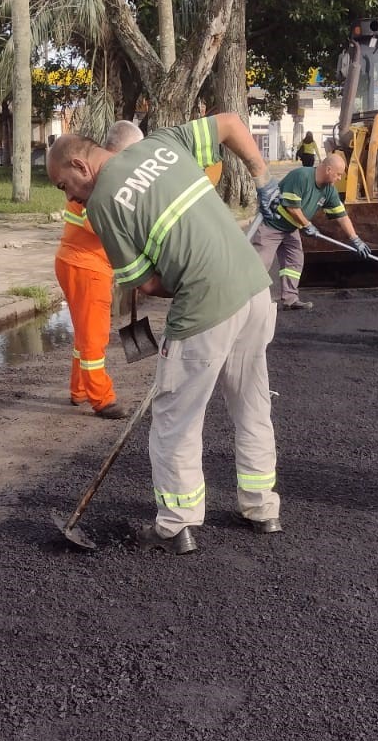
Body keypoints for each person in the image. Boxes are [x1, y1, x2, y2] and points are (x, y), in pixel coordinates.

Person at [47, 114, 283, 555]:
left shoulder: (100, 205)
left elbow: (148, 284)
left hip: (205, 307)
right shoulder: (164, 142)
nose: (71, 199)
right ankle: (262, 508)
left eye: (65, 186)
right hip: (254, 289)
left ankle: (176, 524)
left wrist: (189, 273)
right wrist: (262, 178)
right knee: (252, 404)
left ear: (80, 167)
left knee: (175, 418)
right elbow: (231, 123)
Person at [53, 121, 143, 420]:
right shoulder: (100, 180)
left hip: (77, 261)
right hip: (86, 266)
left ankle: (79, 390)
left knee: (83, 331)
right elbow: (104, 224)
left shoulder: (98, 175)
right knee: (94, 336)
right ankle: (101, 398)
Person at [250, 152, 371, 311]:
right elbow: (291, 207)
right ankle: (245, 302)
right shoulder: (301, 176)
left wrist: (355, 239)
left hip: (291, 228)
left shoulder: (328, 190)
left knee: (295, 260)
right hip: (272, 225)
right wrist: (307, 225)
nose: (340, 178)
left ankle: (290, 299)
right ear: (328, 170)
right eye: (338, 174)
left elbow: (342, 216)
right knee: (260, 263)